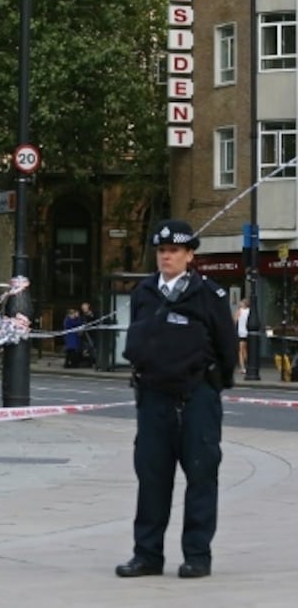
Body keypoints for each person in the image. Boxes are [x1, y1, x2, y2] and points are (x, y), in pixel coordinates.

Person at [116, 219, 237, 580]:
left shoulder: (208, 295)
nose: (166, 257)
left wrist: (212, 385)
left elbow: (227, 347)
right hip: (153, 397)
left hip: (196, 396)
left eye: (174, 251)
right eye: (162, 251)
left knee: (201, 474)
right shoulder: (144, 293)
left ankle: (197, 555)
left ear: (189, 255)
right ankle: (147, 555)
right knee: (152, 477)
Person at [80, 301, 99, 367]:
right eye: (83, 308)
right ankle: (91, 362)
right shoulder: (83, 316)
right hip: (87, 335)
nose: (84, 309)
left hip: (94, 334)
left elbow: (96, 322)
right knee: (89, 349)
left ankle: (95, 361)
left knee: (94, 348)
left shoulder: (94, 314)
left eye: (85, 308)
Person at [233, 298, 249, 375]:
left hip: (240, 332)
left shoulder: (239, 311)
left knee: (240, 351)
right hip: (247, 333)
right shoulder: (249, 311)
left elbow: (234, 321)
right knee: (245, 350)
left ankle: (243, 368)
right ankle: (247, 365)